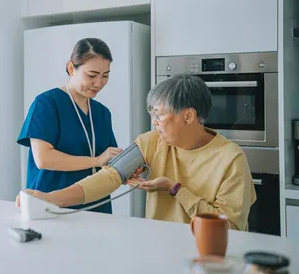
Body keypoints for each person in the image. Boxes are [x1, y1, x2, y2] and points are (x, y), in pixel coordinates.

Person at [18, 73, 257, 231]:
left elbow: (231, 229)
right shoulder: (150, 141)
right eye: (152, 114)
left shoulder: (230, 158)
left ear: (188, 116)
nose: (154, 122)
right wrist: (50, 199)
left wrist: (175, 189)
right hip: (159, 250)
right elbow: (107, 177)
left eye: (159, 114)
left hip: (208, 258)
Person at [16, 38, 123, 214]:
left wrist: (126, 168)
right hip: (50, 206)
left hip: (97, 206)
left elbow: (108, 160)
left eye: (105, 76)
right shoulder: (47, 104)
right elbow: (44, 159)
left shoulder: (102, 113)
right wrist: (96, 161)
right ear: (72, 68)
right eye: (92, 75)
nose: (99, 83)